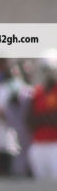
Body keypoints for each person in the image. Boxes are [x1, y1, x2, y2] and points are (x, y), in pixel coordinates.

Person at [27, 51, 57, 179]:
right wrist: (47, 118)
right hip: (38, 145)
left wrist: (41, 118)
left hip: (55, 144)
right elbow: (30, 120)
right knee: (41, 183)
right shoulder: (37, 92)